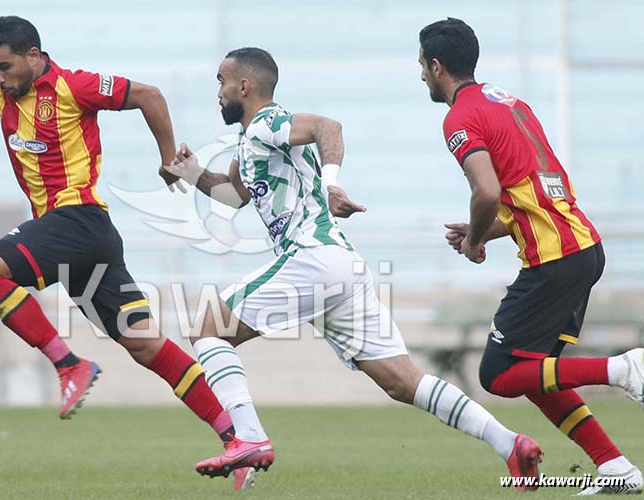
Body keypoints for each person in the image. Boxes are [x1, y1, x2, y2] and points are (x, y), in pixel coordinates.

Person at [0, 15, 256, 489]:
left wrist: (167, 159)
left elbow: (149, 95)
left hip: (77, 220)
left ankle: (68, 363)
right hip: (79, 237)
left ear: (34, 56)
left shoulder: (75, 87)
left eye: (6, 66)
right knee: (145, 344)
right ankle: (237, 441)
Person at [165, 46, 542, 490]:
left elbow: (329, 127)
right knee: (403, 382)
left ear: (243, 86)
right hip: (339, 266)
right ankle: (510, 444)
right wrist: (191, 173)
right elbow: (235, 193)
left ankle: (248, 439)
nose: (219, 91)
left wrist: (331, 184)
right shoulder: (253, 141)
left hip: (312, 257)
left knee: (209, 329)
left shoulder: (269, 122)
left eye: (221, 81)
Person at [419, 17, 643, 495]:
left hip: (555, 259)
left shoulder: (460, 117)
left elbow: (486, 192)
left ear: (437, 66)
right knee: (533, 372)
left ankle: (622, 369)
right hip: (580, 246)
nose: (420, 75)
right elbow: (530, 195)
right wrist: (489, 233)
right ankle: (615, 467)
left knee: (497, 374)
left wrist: (477, 238)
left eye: (421, 65)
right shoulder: (509, 102)